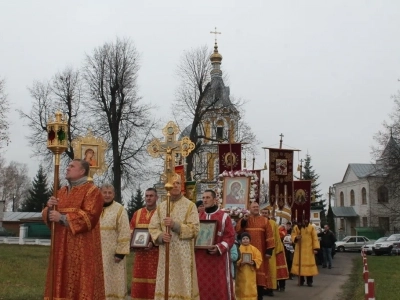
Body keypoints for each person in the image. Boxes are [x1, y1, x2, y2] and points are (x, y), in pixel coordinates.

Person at [42, 159, 105, 299]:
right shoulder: (61, 192)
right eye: (68, 165)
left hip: (81, 249)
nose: (67, 168)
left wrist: (63, 218)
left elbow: (90, 217)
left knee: (80, 282)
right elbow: (49, 217)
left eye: (72, 166)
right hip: (60, 247)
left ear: (82, 171)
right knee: (60, 279)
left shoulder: (92, 191)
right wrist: (49, 208)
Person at [149, 175, 200, 300]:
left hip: (183, 256)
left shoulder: (190, 206)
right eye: (173, 183)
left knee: (183, 285)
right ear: (168, 186)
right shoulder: (161, 207)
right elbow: (153, 227)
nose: (175, 185)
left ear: (181, 186)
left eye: (178, 183)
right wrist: (161, 237)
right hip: (165, 255)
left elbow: (195, 229)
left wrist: (175, 225)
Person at [195, 190, 236, 300]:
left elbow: (230, 236)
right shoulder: (198, 217)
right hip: (200, 259)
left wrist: (219, 247)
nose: (205, 200)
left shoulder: (224, 217)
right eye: (203, 198)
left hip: (219, 260)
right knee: (201, 285)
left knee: (219, 285)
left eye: (208, 197)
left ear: (214, 199)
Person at [236, 202, 275, 300]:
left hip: (260, 252)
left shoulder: (265, 221)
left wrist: (269, 251)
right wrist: (244, 221)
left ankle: (260, 296)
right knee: (246, 274)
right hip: (246, 251)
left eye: (257, 207)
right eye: (254, 207)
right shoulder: (245, 219)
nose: (256, 208)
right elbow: (238, 231)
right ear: (249, 208)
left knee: (260, 274)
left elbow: (270, 236)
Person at [99, 183, 131, 300]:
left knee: (113, 282)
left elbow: (124, 231)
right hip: (96, 252)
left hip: (113, 254)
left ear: (114, 194)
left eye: (110, 193)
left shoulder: (120, 209)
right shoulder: (94, 207)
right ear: (100, 193)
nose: (107, 195)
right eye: (104, 192)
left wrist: (120, 253)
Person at [130, 187, 159, 300]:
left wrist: (153, 242)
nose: (148, 198)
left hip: (155, 255)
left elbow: (163, 232)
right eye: (147, 196)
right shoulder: (137, 213)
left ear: (156, 197)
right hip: (140, 256)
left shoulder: (160, 213)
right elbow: (131, 229)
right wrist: (134, 242)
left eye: (151, 196)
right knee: (139, 284)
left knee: (155, 283)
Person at [260, 208, 289, 294]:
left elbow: (276, 237)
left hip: (271, 249)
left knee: (271, 269)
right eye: (263, 213)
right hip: (261, 249)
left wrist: (277, 249)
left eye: (266, 213)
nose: (264, 214)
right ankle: (262, 288)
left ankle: (270, 289)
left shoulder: (273, 224)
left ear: (269, 214)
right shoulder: (259, 222)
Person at [291, 219, 320, 287]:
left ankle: (309, 281)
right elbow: (292, 235)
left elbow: (315, 238)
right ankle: (301, 281)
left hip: (309, 250)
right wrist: (296, 238)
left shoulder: (311, 227)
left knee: (309, 267)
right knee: (300, 266)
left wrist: (315, 248)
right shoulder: (296, 227)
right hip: (299, 250)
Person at [235, 232, 263, 300]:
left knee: (251, 287)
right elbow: (235, 259)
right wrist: (241, 262)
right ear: (241, 240)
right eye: (243, 238)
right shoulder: (238, 249)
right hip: (241, 272)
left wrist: (253, 262)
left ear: (250, 240)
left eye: (247, 238)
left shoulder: (254, 249)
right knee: (241, 287)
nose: (245, 240)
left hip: (251, 272)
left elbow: (259, 258)